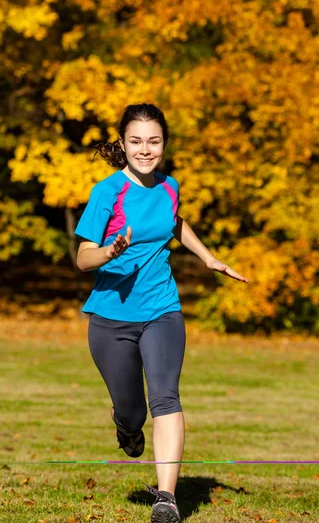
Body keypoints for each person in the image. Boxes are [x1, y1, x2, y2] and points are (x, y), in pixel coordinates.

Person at [74, 103, 248, 523]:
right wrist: (110, 251)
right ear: (123, 143)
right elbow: (81, 258)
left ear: (164, 144)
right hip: (111, 318)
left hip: (162, 310)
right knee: (132, 411)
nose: (145, 149)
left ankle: (166, 498)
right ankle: (126, 426)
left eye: (153, 141)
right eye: (136, 141)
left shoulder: (170, 186)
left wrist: (207, 257)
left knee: (166, 396)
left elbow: (174, 222)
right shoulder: (107, 192)